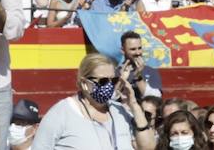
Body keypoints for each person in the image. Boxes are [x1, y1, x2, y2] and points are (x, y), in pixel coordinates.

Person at [30, 52, 158, 149]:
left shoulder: (120, 111)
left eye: (112, 80)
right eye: (102, 81)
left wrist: (134, 105)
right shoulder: (61, 113)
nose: (109, 86)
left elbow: (148, 147)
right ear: (85, 83)